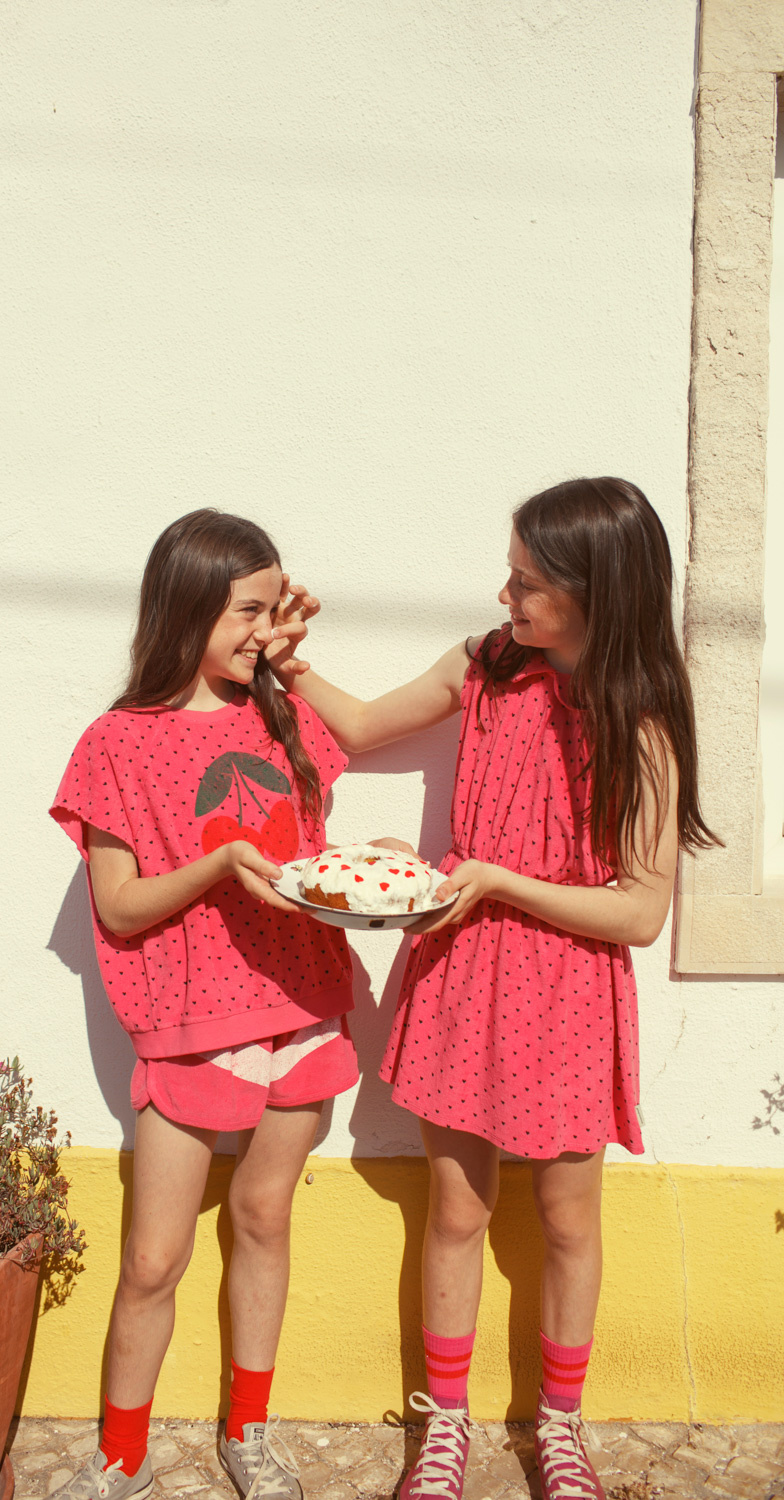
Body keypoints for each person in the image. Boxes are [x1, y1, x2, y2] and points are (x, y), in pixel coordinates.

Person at [274, 478, 718, 1500]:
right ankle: (445, 1428)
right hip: (466, 974)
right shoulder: (481, 667)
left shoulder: (641, 725)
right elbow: (364, 726)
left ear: (595, 590)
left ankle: (559, 1428)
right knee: (457, 1212)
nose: (504, 594)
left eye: (526, 581)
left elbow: (638, 913)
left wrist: (499, 880)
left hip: (568, 991)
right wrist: (289, 664)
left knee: (567, 1220)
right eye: (509, 574)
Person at [50, 510, 359, 1500]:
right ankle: (122, 1455)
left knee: (264, 1218)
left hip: (300, 1004)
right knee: (153, 1258)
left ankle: (248, 1432)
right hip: (189, 1025)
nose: (264, 632)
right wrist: (220, 863)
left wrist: (377, 863)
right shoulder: (115, 743)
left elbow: (312, 856)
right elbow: (118, 906)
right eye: (245, 612)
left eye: (273, 608)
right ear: (185, 609)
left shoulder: (288, 718)